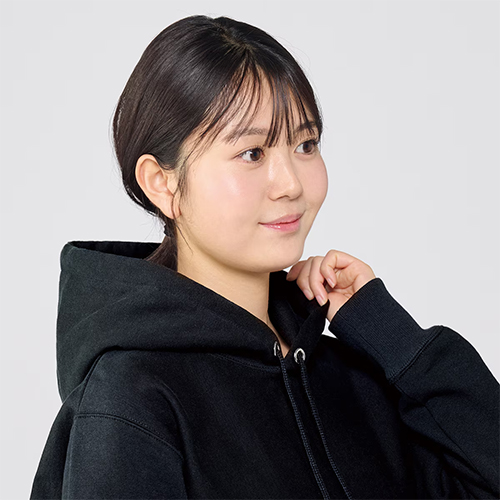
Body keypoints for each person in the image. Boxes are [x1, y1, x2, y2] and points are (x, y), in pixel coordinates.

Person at [30, 14, 499, 500]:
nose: (291, 184)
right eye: (252, 153)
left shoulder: (356, 379)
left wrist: (389, 334)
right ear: (162, 183)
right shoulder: (132, 397)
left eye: (305, 144)